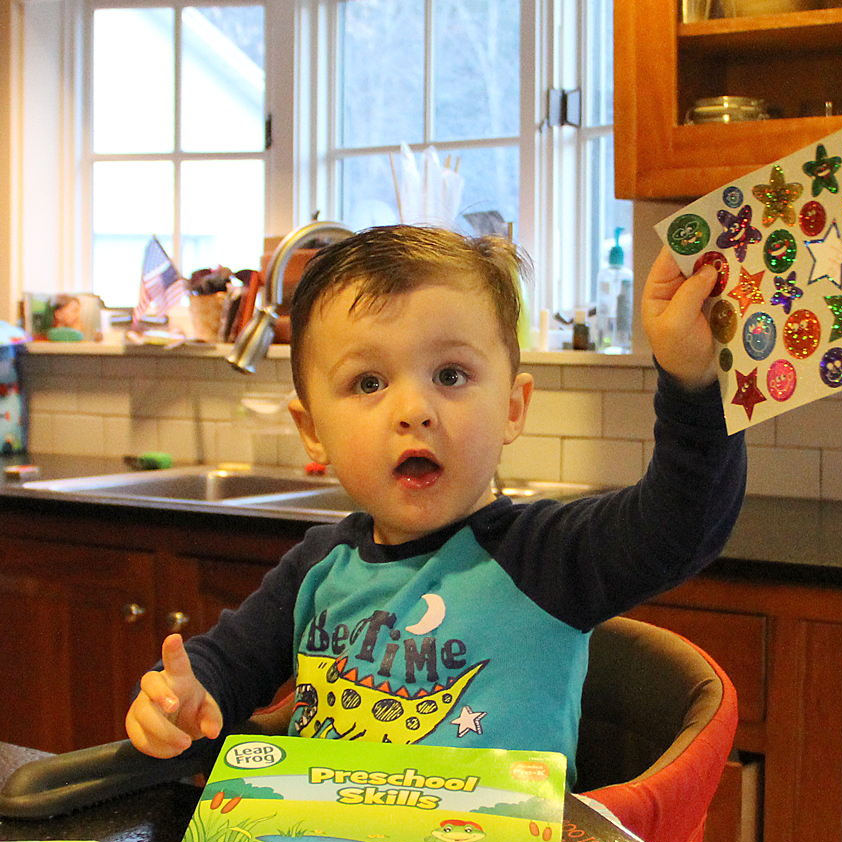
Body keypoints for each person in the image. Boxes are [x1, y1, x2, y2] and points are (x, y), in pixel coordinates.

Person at [124, 225, 742, 783]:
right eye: (369, 382)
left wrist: (693, 383)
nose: (414, 410)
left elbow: (682, 521)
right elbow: (224, 666)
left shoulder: (550, 557)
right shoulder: (318, 567)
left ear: (512, 408)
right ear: (312, 430)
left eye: (450, 375)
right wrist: (178, 703)